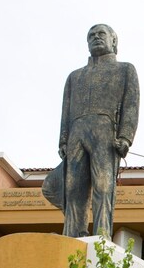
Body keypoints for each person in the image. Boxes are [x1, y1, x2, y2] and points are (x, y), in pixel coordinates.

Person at [55, 24, 139, 238]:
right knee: (73, 189)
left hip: (105, 131)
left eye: (101, 34)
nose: (96, 38)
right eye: (91, 35)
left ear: (114, 41)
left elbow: (131, 105)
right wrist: (63, 141)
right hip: (76, 132)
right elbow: (65, 109)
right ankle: (73, 233)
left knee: (103, 185)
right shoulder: (74, 76)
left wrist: (125, 137)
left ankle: (102, 235)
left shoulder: (125, 69)